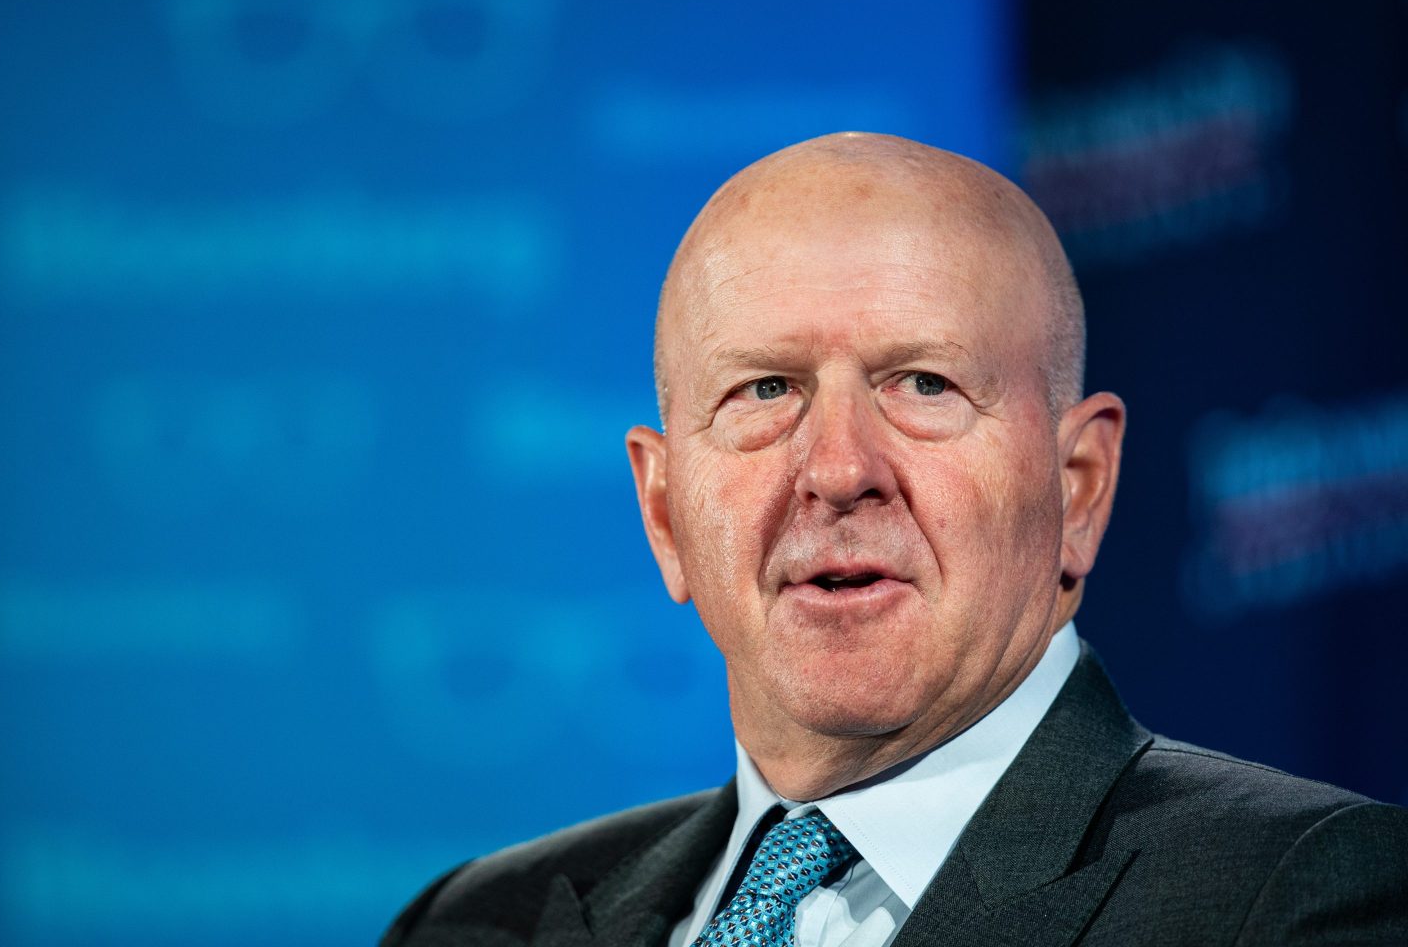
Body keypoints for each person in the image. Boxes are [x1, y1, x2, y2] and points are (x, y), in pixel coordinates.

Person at [381, 133, 1408, 947]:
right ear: (664, 513)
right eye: (766, 390)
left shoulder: (1295, 899)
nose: (838, 470)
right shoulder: (477, 924)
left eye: (924, 383)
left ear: (1078, 488)